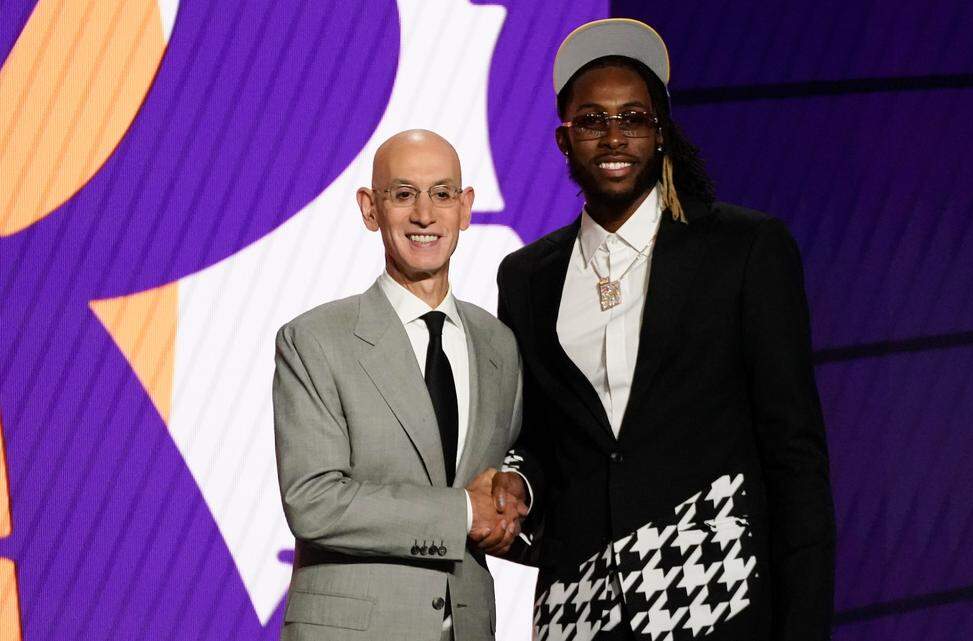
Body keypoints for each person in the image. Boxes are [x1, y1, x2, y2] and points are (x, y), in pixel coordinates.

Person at [492, 19, 836, 640]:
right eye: (592, 121)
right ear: (564, 140)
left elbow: (795, 456)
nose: (614, 136)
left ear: (661, 134)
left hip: (714, 597)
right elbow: (540, 439)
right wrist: (516, 479)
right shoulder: (526, 277)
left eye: (635, 118)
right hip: (579, 607)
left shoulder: (745, 249)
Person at [273, 130, 527, 641]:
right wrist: (460, 513)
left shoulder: (498, 344)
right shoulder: (315, 339)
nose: (424, 215)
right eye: (404, 193)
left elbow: (509, 467)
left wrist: (516, 496)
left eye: (441, 193)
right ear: (370, 209)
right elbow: (313, 501)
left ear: (466, 207)